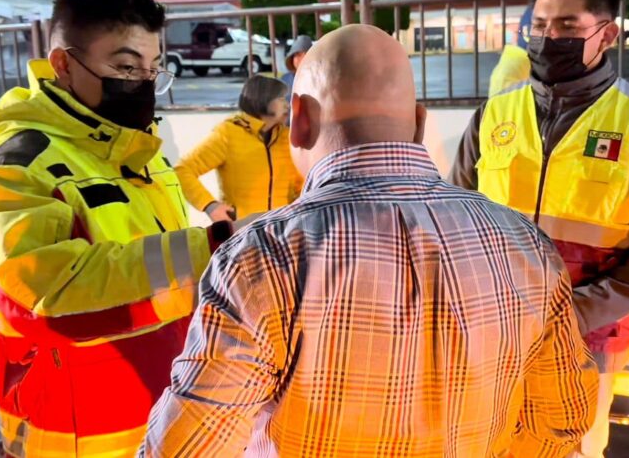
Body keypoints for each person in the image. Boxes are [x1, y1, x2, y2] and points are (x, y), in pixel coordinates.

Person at [141, 24, 599, 457]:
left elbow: (187, 448)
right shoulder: (525, 245)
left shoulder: (261, 259)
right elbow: (563, 419)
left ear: (299, 120)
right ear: (418, 123)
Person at [0, 0, 231, 457]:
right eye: (126, 67)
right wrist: (214, 250)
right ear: (63, 64)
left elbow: (159, 272)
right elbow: (43, 297)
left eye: (154, 69)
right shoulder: (16, 167)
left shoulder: (141, 152)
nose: (144, 83)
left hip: (162, 415)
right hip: (76, 436)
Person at [449, 0, 629, 457]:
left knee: (574, 446)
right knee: (481, 439)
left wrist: (581, 310)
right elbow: (455, 213)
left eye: (567, 27)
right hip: (492, 327)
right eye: (540, 25)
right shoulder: (494, 113)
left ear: (606, 35)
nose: (548, 38)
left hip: (587, 336)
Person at [175, 75, 302, 222]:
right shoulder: (228, 134)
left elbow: (301, 186)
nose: (287, 105)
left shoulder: (287, 137)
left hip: (282, 229)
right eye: (281, 99)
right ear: (263, 100)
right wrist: (210, 206)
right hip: (241, 229)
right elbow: (182, 170)